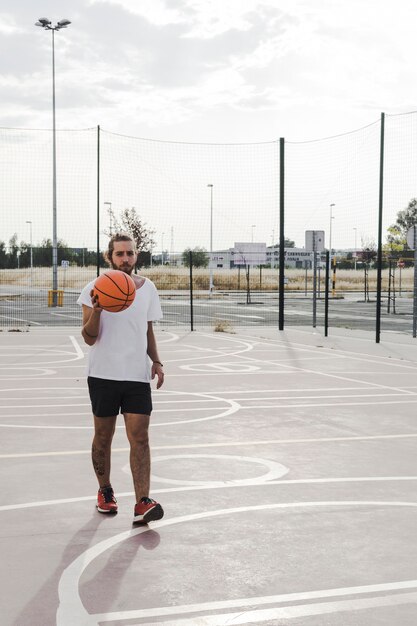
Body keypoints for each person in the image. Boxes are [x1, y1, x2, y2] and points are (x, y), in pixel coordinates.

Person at [77, 232, 164, 524]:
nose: (125, 258)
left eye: (129, 253)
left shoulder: (148, 289)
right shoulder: (94, 288)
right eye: (119, 254)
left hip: (137, 376)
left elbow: (147, 329)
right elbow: (88, 338)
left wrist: (157, 361)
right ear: (109, 257)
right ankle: (105, 490)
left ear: (136, 255)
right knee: (103, 436)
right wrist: (98, 311)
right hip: (103, 375)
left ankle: (143, 501)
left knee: (140, 437)